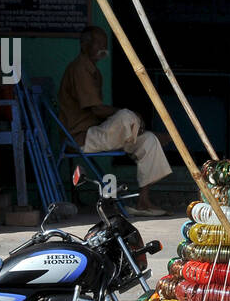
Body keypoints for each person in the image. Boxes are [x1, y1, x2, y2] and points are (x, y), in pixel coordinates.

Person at [59, 26, 171, 216]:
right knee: (127, 115)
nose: (103, 48)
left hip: (98, 132)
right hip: (82, 137)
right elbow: (96, 109)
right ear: (85, 45)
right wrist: (132, 117)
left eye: (105, 45)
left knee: (150, 142)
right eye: (99, 44)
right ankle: (137, 131)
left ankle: (143, 202)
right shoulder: (80, 69)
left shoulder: (94, 71)